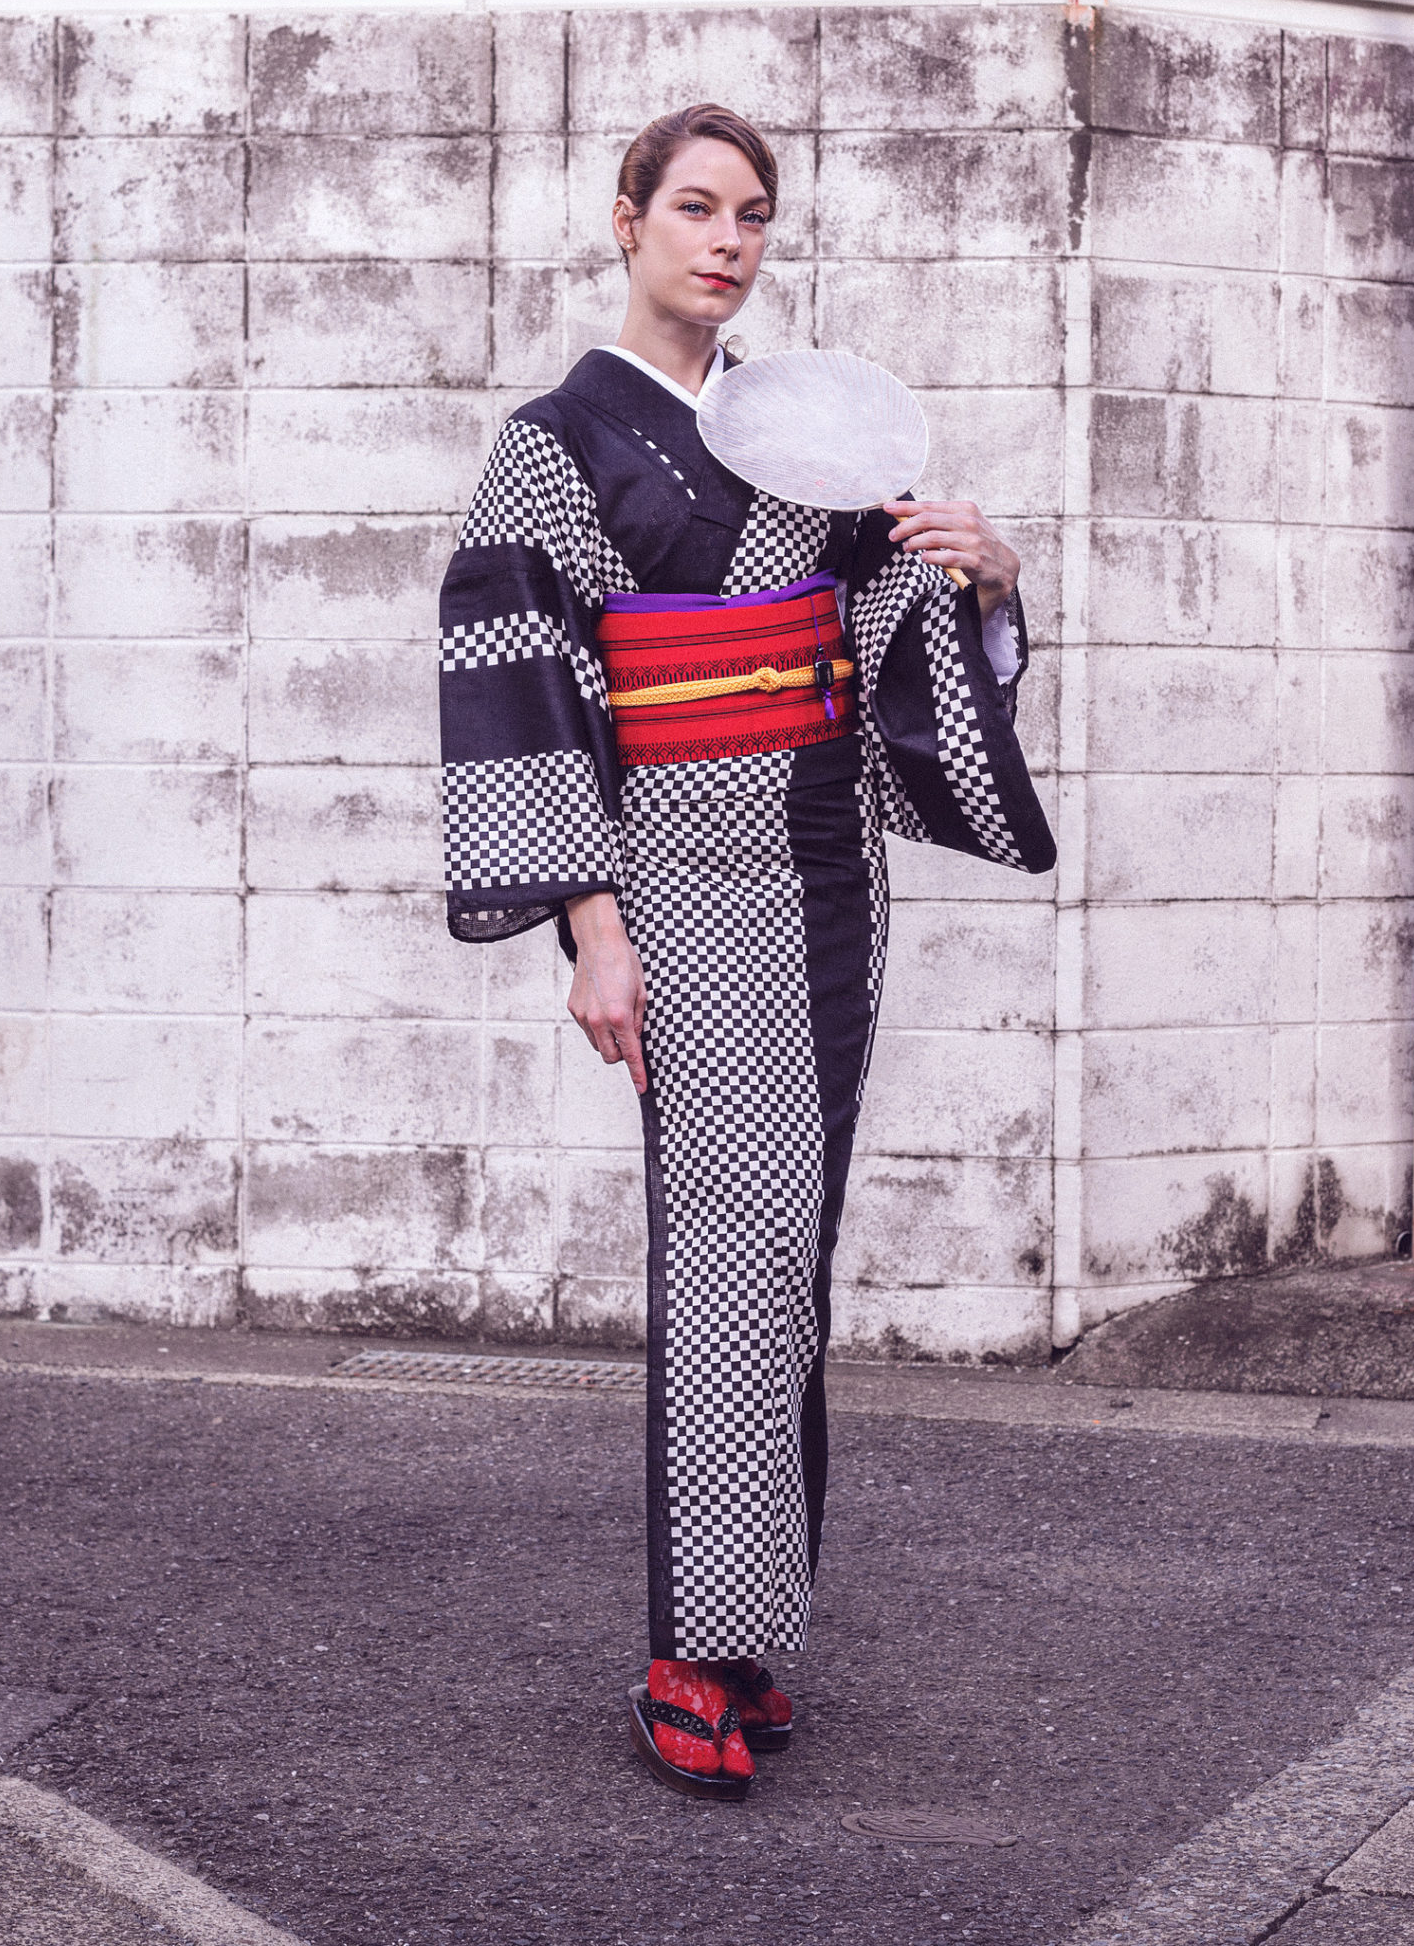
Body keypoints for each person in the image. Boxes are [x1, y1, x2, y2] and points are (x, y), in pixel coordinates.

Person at [437, 101, 1055, 1799]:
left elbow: (893, 628)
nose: (727, 241)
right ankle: (686, 1652)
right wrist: (593, 930)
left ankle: (752, 1628)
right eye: (697, 208)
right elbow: (526, 684)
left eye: (754, 215)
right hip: (681, 884)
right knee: (723, 1252)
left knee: (790, 1252)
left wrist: (987, 578)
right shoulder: (553, 445)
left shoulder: (804, 433)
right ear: (626, 220)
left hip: (823, 872)